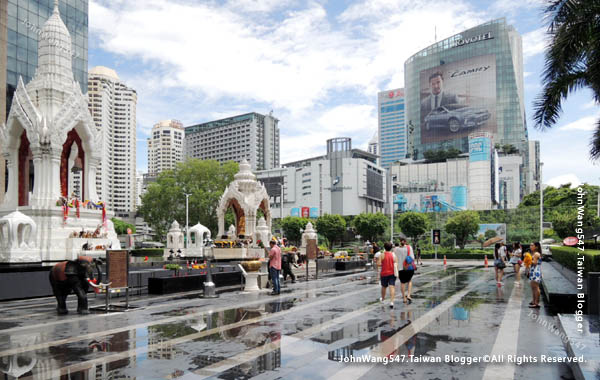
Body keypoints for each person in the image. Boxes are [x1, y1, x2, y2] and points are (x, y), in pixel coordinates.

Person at [377, 242, 398, 308]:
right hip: (392, 273)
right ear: (391, 247)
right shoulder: (394, 255)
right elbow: (396, 263)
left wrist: (383, 264)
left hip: (384, 273)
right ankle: (391, 302)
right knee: (392, 287)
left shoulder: (382, 255)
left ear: (384, 247)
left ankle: (383, 299)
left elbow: (378, 264)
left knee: (384, 287)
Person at [395, 238, 416, 304]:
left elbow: (394, 259)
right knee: (409, 281)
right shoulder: (409, 247)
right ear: (405, 242)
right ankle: (409, 295)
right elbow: (412, 258)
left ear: (400, 242)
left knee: (402, 283)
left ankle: (404, 297)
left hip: (401, 269)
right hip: (409, 268)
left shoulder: (396, 249)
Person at [529, 242, 543, 308]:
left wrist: (528, 259)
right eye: (530, 245)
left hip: (536, 271)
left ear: (536, 247)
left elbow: (534, 263)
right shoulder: (534, 254)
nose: (530, 246)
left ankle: (536, 303)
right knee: (533, 287)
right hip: (533, 270)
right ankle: (534, 301)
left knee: (536, 287)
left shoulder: (536, 254)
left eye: (532, 245)